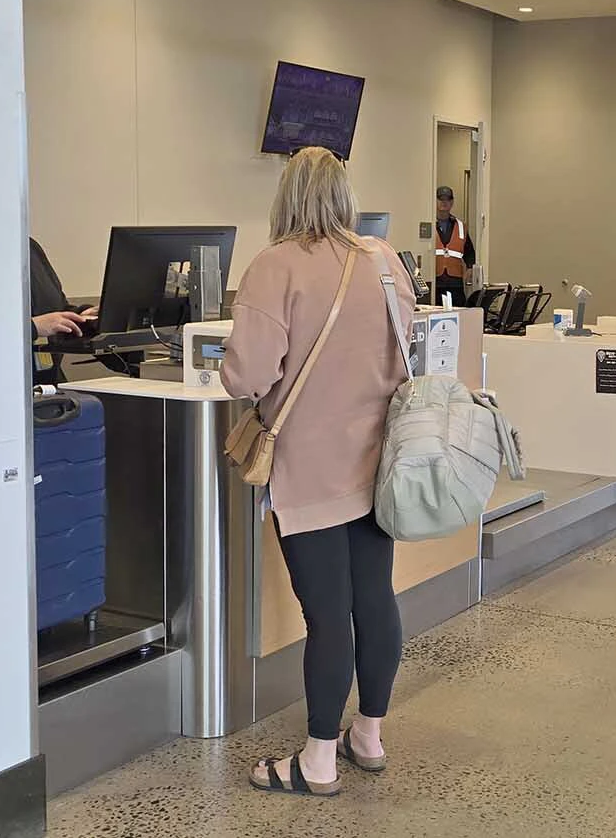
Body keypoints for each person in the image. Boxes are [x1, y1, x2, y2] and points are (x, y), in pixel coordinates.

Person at [222, 146, 416, 798]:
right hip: (377, 463)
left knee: (327, 616)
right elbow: (405, 342)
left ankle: (318, 760)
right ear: (344, 196)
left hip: (308, 472)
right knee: (375, 600)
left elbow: (245, 375)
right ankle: (368, 734)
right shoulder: (384, 259)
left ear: (286, 198)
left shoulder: (274, 266)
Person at [29, 237, 97, 385]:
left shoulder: (29, 247)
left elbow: (56, 307)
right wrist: (32, 327)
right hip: (7, 388)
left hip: (47, 381)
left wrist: (81, 316)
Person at [433, 184, 474, 305]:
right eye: (441, 199)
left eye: (448, 200)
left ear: (452, 202)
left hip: (455, 281)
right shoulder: (428, 224)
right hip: (436, 280)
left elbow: (469, 252)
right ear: (435, 201)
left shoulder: (461, 226)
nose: (444, 203)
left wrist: (470, 269)